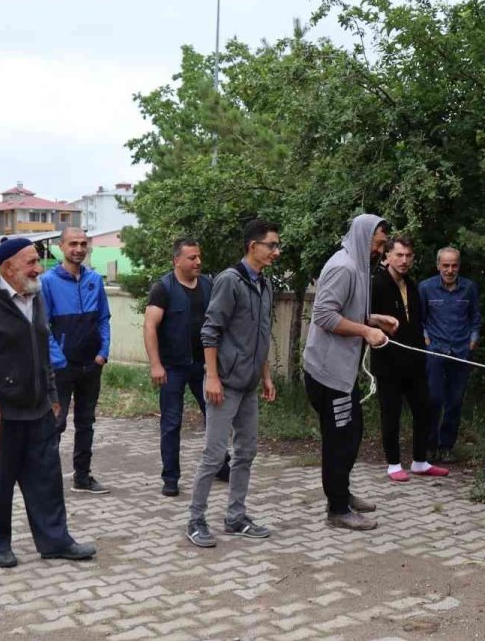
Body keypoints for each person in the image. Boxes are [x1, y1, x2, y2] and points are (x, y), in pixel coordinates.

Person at [0, 238, 96, 568]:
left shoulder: (37, 297)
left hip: (38, 411)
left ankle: (56, 541)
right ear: (8, 268)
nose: (38, 268)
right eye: (30, 262)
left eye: (37, 261)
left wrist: (53, 396)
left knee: (47, 480)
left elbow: (43, 353)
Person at [185, 220, 281, 547]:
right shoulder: (230, 281)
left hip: (249, 384)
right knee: (214, 455)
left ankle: (235, 517)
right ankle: (195, 519)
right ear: (253, 246)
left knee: (246, 452)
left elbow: (261, 337)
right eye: (271, 245)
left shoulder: (265, 285)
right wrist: (211, 377)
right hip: (223, 384)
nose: (276, 251)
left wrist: (265, 376)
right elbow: (210, 331)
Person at [302, 214, 399, 530]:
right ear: (363, 237)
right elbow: (324, 315)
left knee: (351, 432)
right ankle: (338, 510)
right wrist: (364, 332)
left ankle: (340, 493)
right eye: (379, 244)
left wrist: (376, 320)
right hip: (328, 373)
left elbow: (348, 309)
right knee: (339, 438)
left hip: (342, 373)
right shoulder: (343, 267)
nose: (380, 251)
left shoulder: (357, 266)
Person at [143, 238, 229, 497]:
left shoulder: (208, 285)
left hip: (203, 366)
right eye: (192, 258)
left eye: (199, 257)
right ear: (177, 261)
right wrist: (156, 364)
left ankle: (221, 466)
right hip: (172, 368)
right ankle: (170, 478)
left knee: (215, 416)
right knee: (171, 423)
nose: (198, 262)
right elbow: (150, 327)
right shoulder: (163, 288)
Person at [370, 235, 448, 483]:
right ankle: (393, 464)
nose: (404, 260)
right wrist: (379, 320)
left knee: (424, 409)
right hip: (388, 361)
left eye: (408, 256)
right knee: (390, 413)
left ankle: (420, 461)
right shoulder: (376, 283)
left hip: (415, 361)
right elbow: (361, 316)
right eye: (399, 255)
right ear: (387, 256)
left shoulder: (412, 285)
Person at [40, 227, 111, 494]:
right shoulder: (48, 282)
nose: (78, 249)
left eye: (83, 244)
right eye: (73, 244)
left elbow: (104, 319)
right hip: (62, 368)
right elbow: (43, 326)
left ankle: (82, 477)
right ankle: (47, 480)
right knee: (55, 424)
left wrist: (103, 352)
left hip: (91, 364)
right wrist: (59, 360)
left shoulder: (94, 279)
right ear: (61, 247)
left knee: (86, 422)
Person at [418, 247, 480, 463]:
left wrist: (473, 340)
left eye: (454, 265)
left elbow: (475, 318)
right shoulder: (425, 288)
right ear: (438, 266)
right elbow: (420, 319)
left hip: (461, 352)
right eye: (446, 265)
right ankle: (429, 445)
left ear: (459, 266)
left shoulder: (469, 288)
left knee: (455, 401)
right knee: (433, 399)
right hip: (434, 351)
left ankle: (446, 446)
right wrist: (426, 341)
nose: (450, 270)